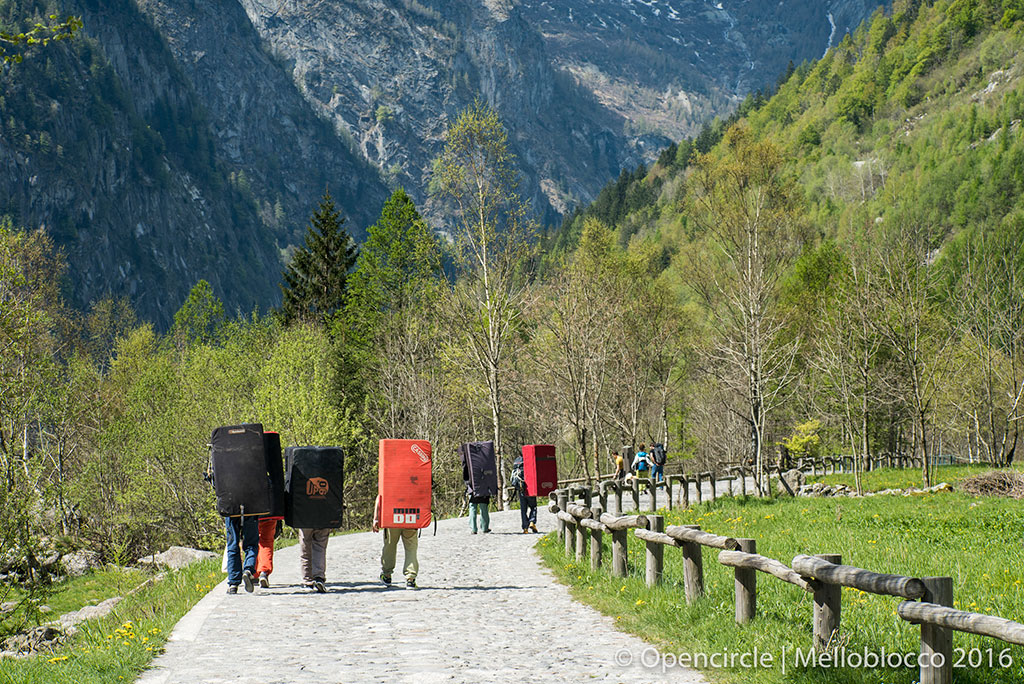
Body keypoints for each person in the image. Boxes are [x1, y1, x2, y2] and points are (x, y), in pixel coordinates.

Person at [373, 494, 419, 588]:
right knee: (411, 549)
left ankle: (387, 575)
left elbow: (380, 497)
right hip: (410, 515)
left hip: (392, 516)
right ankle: (410, 579)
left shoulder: (387, 478)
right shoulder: (415, 478)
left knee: (390, 546)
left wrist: (376, 518)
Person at [224, 516, 258, 594]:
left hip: (231, 510)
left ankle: (233, 584)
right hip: (251, 510)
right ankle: (248, 570)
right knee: (251, 544)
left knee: (233, 545)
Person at [297, 528, 330, 593]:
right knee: (320, 548)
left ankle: (307, 581)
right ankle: (319, 577)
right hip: (324, 520)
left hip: (304, 522)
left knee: (305, 550)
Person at [510, 456, 538, 533]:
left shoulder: (517, 467)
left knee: (523, 510)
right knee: (533, 507)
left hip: (521, 491)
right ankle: (532, 522)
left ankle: (525, 528)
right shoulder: (529, 466)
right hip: (530, 490)